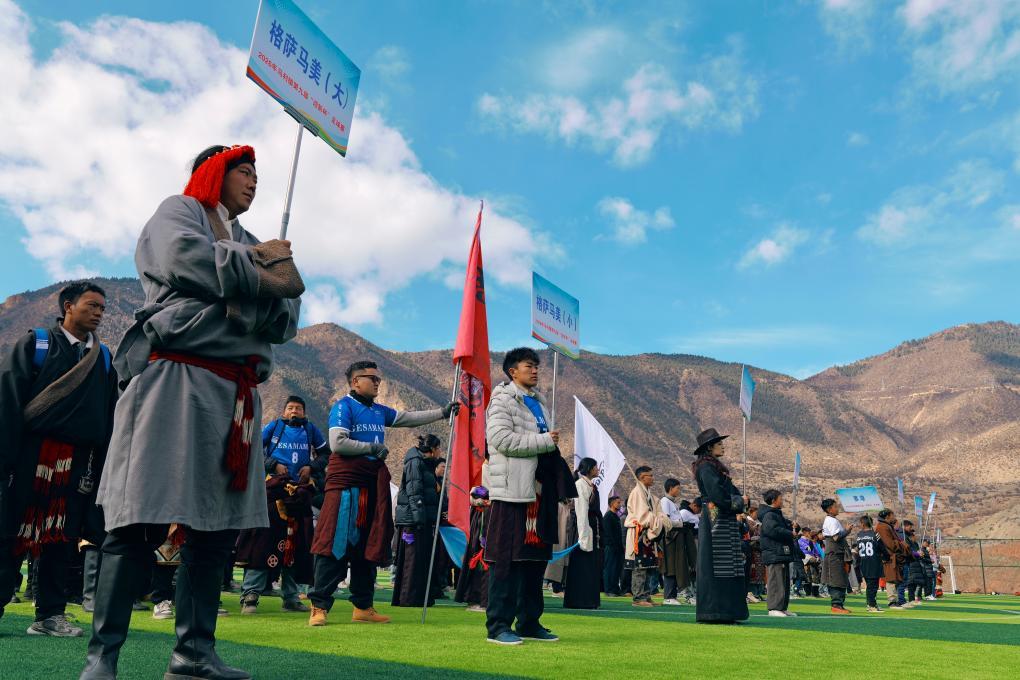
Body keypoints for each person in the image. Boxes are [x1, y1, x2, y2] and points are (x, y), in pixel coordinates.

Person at [82, 144, 303, 680]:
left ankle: (193, 654)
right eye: (244, 171)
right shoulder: (178, 212)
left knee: (216, 528)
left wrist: (236, 287)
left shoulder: (250, 238)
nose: (253, 181)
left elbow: (288, 314)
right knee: (138, 517)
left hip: (236, 395)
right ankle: (102, 658)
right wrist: (259, 279)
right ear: (214, 173)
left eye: (256, 174)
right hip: (173, 377)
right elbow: (185, 259)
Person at [0, 281, 118, 638]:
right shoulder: (36, 344)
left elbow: (108, 416)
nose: (99, 313)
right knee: (11, 532)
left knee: (62, 537)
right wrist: (5, 461)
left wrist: (102, 469)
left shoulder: (103, 358)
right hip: (29, 456)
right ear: (68, 306)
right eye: (92, 305)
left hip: (78, 462)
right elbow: (7, 403)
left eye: (102, 308)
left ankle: (50, 614)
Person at [307, 361, 456, 626]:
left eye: (378, 378)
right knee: (335, 542)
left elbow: (407, 418)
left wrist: (442, 413)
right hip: (346, 487)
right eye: (372, 378)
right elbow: (337, 443)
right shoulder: (343, 406)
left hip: (372, 486)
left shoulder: (378, 410)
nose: (377, 382)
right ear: (355, 381)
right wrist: (371, 448)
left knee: (370, 544)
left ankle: (363, 606)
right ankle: (319, 606)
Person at [483, 347, 574, 646]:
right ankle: (498, 625)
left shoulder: (540, 402)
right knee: (507, 561)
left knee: (535, 560)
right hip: (512, 491)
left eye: (536, 366)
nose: (535, 370)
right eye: (528, 366)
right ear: (513, 371)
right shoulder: (502, 400)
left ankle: (529, 622)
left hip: (539, 492)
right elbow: (500, 440)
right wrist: (543, 440)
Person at [235, 396, 326, 614]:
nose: (294, 411)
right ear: (284, 411)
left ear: (304, 412)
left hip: (300, 495)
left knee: (297, 545)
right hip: (273, 492)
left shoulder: (311, 430)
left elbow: (325, 454)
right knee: (262, 542)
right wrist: (273, 464)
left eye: (298, 408)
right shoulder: (273, 427)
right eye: (290, 408)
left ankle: (291, 598)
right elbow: (254, 448)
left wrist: (311, 468)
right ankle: (250, 595)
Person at [690, 428, 748, 623]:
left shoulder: (713, 466)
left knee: (728, 564)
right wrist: (738, 501)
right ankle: (715, 611)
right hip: (715, 518)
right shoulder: (706, 467)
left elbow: (726, 491)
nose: (723, 446)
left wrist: (739, 498)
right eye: (719, 443)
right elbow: (716, 494)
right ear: (709, 447)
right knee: (718, 563)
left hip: (722, 516)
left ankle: (727, 611)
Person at [391, 434, 442, 607]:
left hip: (421, 519)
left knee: (420, 560)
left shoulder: (426, 464)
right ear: (432, 449)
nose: (440, 452)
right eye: (438, 448)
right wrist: (420, 519)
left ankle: (419, 597)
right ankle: (408, 598)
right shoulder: (415, 462)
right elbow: (414, 492)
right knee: (411, 560)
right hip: (412, 521)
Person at [625, 466, 672, 608]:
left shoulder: (649, 494)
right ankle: (638, 598)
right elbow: (643, 515)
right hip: (639, 533)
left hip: (649, 533)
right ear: (641, 477)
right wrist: (658, 520)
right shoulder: (637, 493)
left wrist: (660, 519)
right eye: (649, 475)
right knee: (640, 566)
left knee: (648, 566)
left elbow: (657, 512)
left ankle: (646, 595)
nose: (652, 478)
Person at [563, 458, 601, 610]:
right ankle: (578, 600)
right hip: (582, 529)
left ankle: (589, 599)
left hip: (590, 528)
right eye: (595, 467)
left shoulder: (589, 485)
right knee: (581, 565)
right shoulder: (580, 485)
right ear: (590, 469)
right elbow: (581, 512)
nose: (598, 470)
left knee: (590, 566)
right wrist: (584, 536)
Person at [759, 489, 799, 617]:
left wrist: (793, 526)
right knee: (776, 581)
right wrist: (790, 533)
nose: (782, 501)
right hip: (774, 552)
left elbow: (784, 527)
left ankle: (782, 607)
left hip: (781, 552)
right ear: (773, 500)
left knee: (784, 581)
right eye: (780, 499)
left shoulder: (777, 515)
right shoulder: (769, 515)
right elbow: (773, 530)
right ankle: (773, 608)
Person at [455, 485, 491, 612]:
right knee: (478, 560)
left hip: (487, 516)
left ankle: (483, 600)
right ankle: (478, 598)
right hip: (481, 517)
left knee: (485, 561)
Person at [820, 498, 853, 614]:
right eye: (835, 506)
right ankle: (836, 605)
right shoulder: (831, 521)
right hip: (834, 554)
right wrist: (847, 531)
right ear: (829, 509)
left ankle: (839, 604)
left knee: (840, 578)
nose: (837, 508)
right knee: (835, 579)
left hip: (837, 554)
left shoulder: (832, 520)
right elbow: (836, 537)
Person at [659, 479, 686, 606]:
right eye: (677, 488)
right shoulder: (665, 501)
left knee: (676, 566)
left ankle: (673, 595)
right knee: (670, 566)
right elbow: (665, 521)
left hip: (677, 537)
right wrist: (680, 524)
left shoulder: (673, 502)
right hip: (670, 538)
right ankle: (668, 596)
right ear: (670, 488)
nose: (679, 490)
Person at [875, 509, 907, 610]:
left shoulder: (886, 526)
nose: (894, 517)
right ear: (887, 516)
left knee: (894, 579)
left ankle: (895, 600)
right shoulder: (883, 526)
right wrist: (901, 544)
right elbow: (889, 543)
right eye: (892, 515)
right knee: (891, 579)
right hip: (888, 556)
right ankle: (892, 601)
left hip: (892, 556)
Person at [855, 515, 887, 613]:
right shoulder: (875, 534)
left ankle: (871, 604)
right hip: (874, 562)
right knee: (873, 586)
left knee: (870, 585)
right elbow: (882, 547)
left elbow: (858, 548)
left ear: (863, 524)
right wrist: (886, 557)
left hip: (863, 562)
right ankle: (872, 605)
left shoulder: (859, 535)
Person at [677, 498, 700, 604]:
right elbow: (683, 528)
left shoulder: (693, 514)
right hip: (688, 542)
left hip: (695, 541)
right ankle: (687, 593)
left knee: (695, 568)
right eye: (699, 509)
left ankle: (694, 592)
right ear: (694, 505)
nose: (699, 512)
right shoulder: (684, 513)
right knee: (689, 568)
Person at [601, 496, 624, 597]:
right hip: (610, 547)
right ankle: (608, 590)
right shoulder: (608, 516)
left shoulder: (616, 516)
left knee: (616, 569)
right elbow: (608, 533)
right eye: (618, 502)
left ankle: (615, 589)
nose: (620, 504)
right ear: (612, 504)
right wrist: (613, 545)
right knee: (609, 568)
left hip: (617, 548)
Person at [798, 527, 822, 597]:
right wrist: (810, 541)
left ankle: (815, 593)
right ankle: (808, 593)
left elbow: (815, 550)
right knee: (808, 576)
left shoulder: (810, 541)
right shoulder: (800, 541)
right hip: (805, 558)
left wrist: (817, 556)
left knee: (815, 575)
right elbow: (808, 549)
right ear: (805, 533)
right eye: (809, 533)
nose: (809, 534)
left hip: (812, 559)